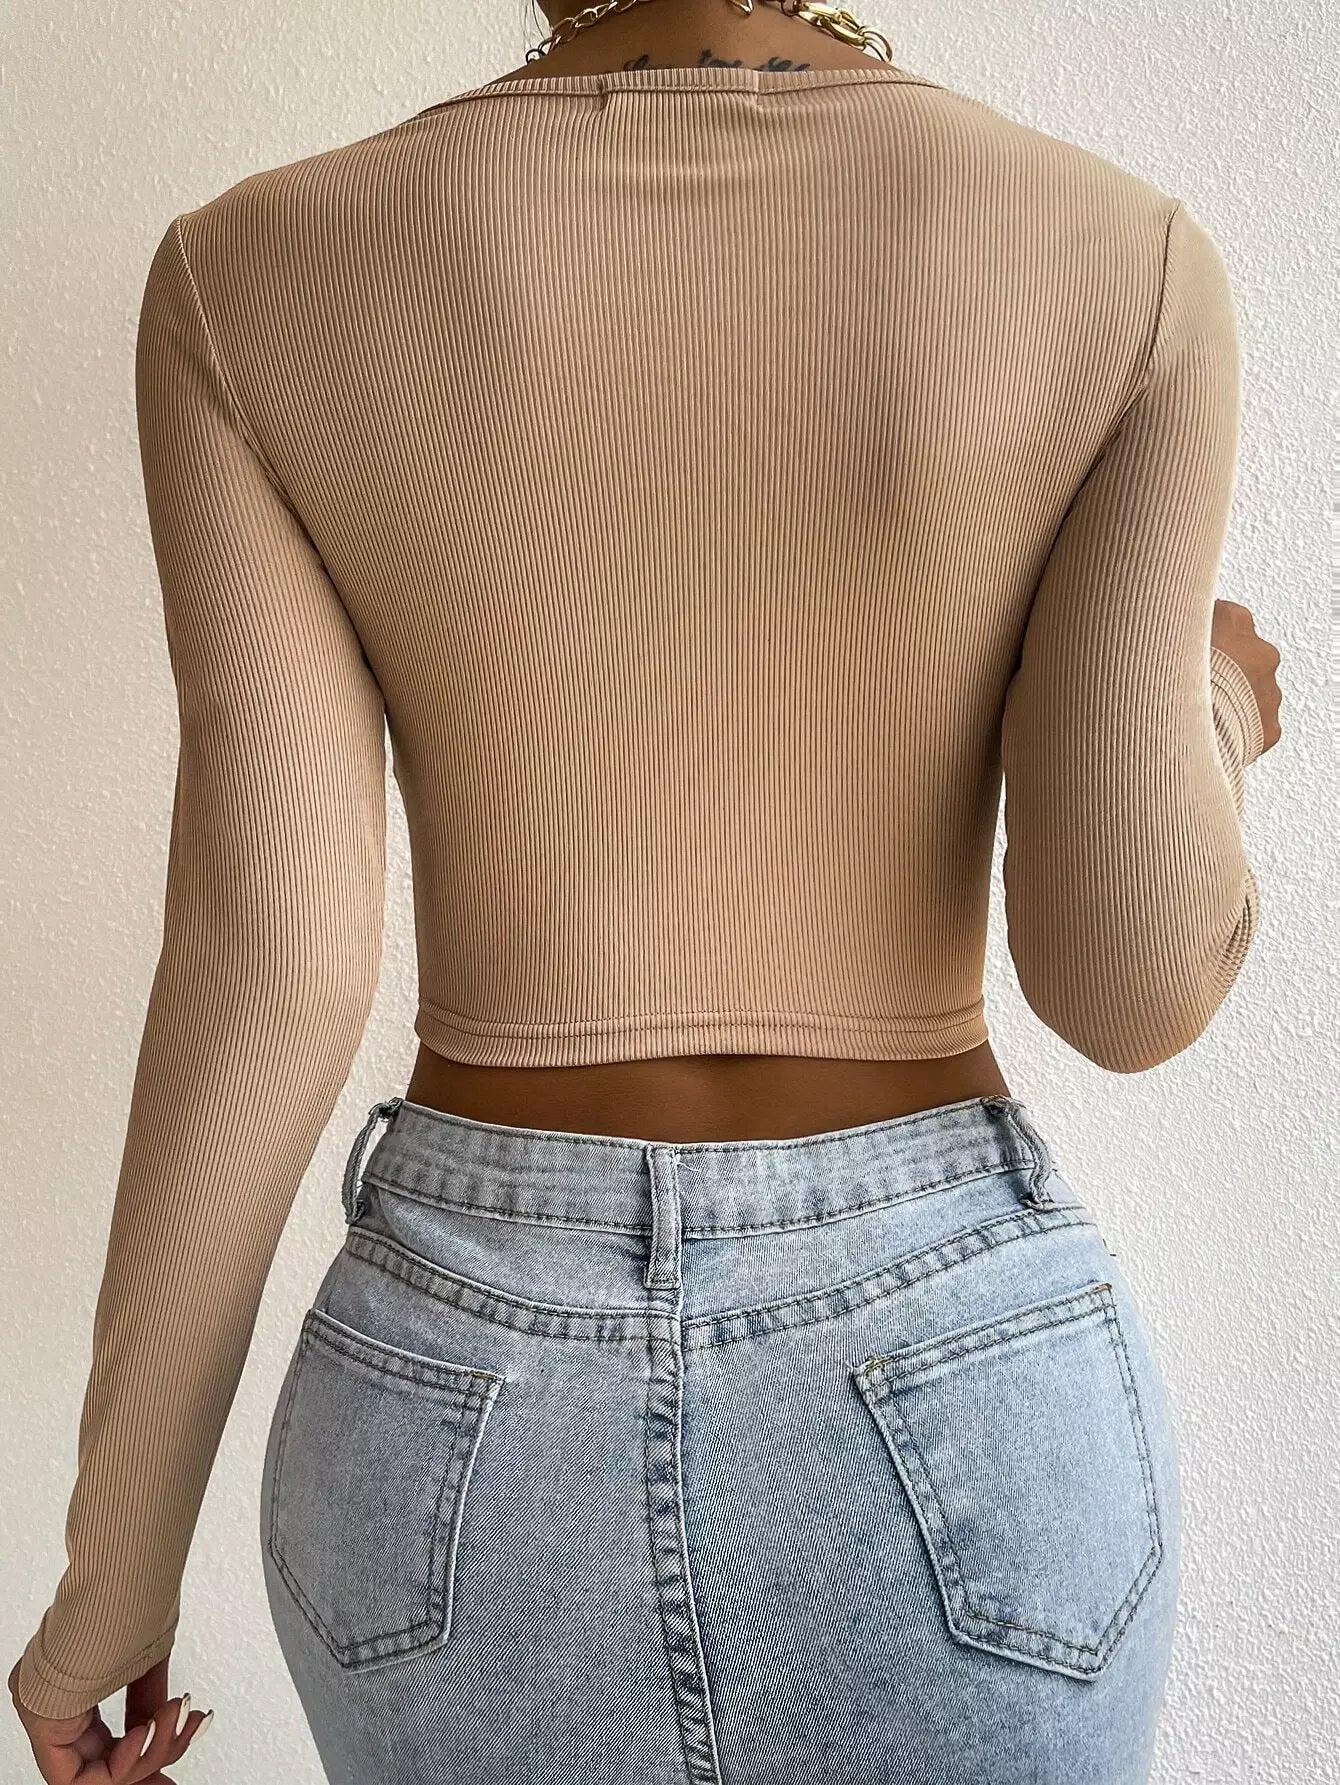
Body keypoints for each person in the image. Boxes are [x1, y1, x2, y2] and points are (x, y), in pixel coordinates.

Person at [9, 0, 1283, 1780]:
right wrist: (1217, 704)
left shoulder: (251, 273)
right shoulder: (1125, 261)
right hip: (947, 1371)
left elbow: (273, 965)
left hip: (460, 1402)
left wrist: (110, 1583)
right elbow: (1127, 976)